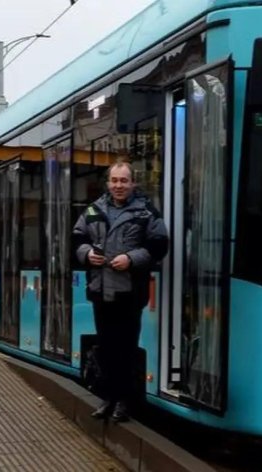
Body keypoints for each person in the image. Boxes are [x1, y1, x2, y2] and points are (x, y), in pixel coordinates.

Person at [73, 161, 168, 422]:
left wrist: (131, 259)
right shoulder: (93, 210)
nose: (119, 185)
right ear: (108, 183)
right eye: (114, 180)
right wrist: (86, 253)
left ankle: (124, 402)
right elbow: (77, 238)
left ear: (133, 183)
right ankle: (108, 398)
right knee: (106, 347)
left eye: (124, 181)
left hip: (130, 293)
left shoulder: (147, 212)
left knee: (126, 349)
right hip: (100, 291)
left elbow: (159, 245)